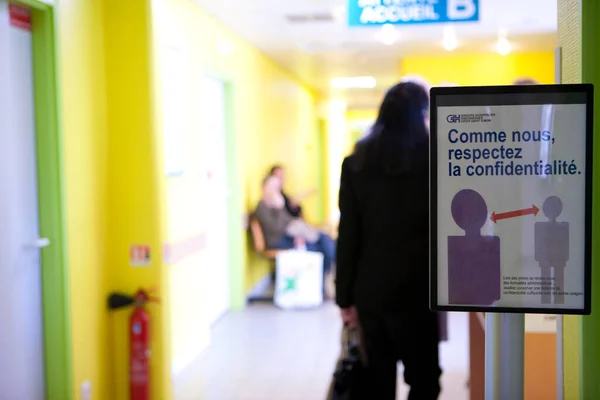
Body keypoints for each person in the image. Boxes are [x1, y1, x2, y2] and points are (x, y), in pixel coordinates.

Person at [336, 82, 441, 399]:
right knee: (424, 380)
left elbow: (349, 234)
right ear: (423, 115)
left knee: (377, 382)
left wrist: (344, 297)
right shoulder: (436, 159)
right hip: (421, 289)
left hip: (373, 289)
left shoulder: (356, 163)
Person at [254, 175, 336, 296]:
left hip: (288, 237)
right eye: (271, 187)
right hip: (277, 241)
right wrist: (279, 208)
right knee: (317, 249)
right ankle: (320, 285)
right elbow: (275, 229)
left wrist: (297, 234)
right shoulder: (262, 207)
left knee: (324, 239)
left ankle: (321, 283)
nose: (274, 190)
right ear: (264, 187)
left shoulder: (276, 204)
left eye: (276, 187)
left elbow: (288, 220)